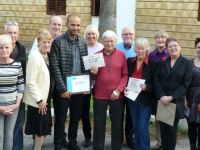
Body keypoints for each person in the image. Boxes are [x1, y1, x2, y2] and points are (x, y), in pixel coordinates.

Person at [50, 13, 88, 150]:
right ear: (67, 24)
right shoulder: (58, 42)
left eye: (78, 25)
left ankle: (72, 142)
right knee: (60, 119)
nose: (75, 27)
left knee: (75, 117)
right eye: (73, 24)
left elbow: (85, 65)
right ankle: (58, 144)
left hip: (79, 88)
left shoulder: (83, 42)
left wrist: (86, 85)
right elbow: (55, 67)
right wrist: (62, 89)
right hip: (63, 89)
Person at [91, 30, 128, 150]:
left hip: (117, 96)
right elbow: (91, 77)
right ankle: (98, 147)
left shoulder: (121, 55)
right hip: (99, 95)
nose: (109, 43)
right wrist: (93, 74)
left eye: (111, 41)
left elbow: (125, 75)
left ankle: (116, 147)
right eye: (106, 41)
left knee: (117, 124)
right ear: (102, 41)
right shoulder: (96, 55)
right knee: (98, 123)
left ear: (115, 42)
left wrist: (118, 90)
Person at [154, 37, 192, 150]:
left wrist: (171, 97)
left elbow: (185, 84)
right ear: (167, 49)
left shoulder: (186, 63)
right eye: (170, 46)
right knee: (163, 131)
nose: (173, 48)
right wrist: (162, 96)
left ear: (180, 47)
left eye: (175, 45)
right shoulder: (163, 62)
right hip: (163, 102)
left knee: (171, 132)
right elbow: (157, 80)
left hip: (174, 102)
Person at [23, 29, 53, 150]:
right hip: (38, 101)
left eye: (49, 42)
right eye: (44, 42)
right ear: (38, 42)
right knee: (40, 129)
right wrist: (40, 101)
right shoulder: (35, 57)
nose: (46, 45)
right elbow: (30, 82)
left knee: (43, 128)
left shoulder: (47, 55)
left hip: (46, 98)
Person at [126, 38, 156, 150]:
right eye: (138, 48)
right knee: (135, 126)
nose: (140, 51)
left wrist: (147, 87)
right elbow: (125, 77)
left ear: (147, 49)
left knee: (142, 127)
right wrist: (125, 88)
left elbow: (156, 83)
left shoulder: (153, 64)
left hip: (145, 100)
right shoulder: (129, 61)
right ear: (134, 49)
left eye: (142, 48)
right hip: (132, 98)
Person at [4, 21, 26, 150]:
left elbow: (22, 72)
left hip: (17, 93)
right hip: (3, 94)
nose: (12, 35)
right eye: (9, 32)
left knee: (18, 124)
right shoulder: (1, 47)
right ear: (4, 32)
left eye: (15, 33)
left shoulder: (21, 48)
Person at [80, 24, 103, 147]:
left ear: (97, 35)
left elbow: (105, 67)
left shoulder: (102, 47)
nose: (91, 36)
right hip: (85, 83)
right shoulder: (82, 47)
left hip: (100, 83)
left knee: (99, 111)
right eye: (88, 34)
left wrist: (98, 72)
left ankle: (99, 136)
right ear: (85, 35)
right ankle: (87, 137)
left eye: (93, 33)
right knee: (85, 111)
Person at [116, 26, 136, 149]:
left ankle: (129, 139)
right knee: (118, 115)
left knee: (130, 114)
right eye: (125, 34)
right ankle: (118, 139)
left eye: (130, 34)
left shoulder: (137, 48)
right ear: (122, 36)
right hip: (118, 86)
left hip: (133, 88)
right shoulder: (116, 47)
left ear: (134, 35)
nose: (128, 36)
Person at [149, 30, 169, 150]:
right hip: (155, 89)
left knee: (166, 117)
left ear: (167, 39)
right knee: (157, 117)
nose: (160, 40)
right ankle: (159, 141)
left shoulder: (170, 53)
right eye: (158, 38)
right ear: (155, 40)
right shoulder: (152, 54)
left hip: (167, 89)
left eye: (163, 38)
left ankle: (167, 142)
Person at [185, 37, 200, 150]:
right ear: (195, 48)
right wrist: (185, 98)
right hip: (190, 97)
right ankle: (192, 147)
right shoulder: (188, 63)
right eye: (199, 47)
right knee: (191, 125)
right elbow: (185, 82)